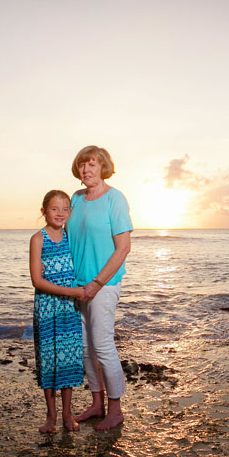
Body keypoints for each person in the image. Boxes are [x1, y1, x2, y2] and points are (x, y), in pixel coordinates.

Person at [67, 146, 133, 431]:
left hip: (104, 285)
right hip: (77, 286)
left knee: (103, 345)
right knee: (85, 349)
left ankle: (115, 410)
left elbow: (123, 248)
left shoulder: (115, 199)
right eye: (82, 165)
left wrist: (96, 284)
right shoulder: (75, 199)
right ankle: (97, 404)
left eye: (92, 164)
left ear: (103, 167)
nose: (86, 170)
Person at [29, 190, 86, 433]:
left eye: (65, 209)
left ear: (70, 213)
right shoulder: (38, 239)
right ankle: (51, 416)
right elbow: (36, 280)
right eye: (55, 209)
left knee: (69, 360)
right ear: (44, 211)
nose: (60, 213)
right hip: (47, 307)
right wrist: (72, 292)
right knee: (49, 361)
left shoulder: (71, 237)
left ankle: (66, 414)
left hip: (69, 309)